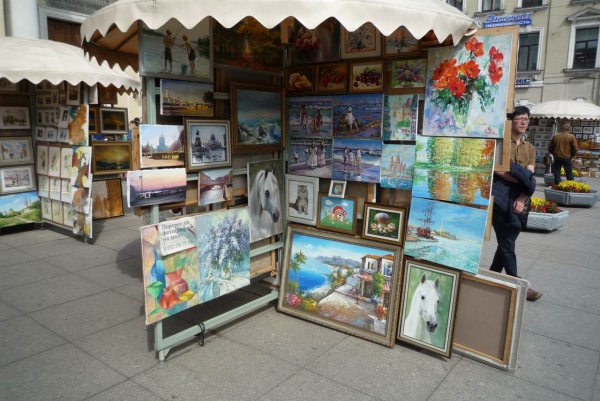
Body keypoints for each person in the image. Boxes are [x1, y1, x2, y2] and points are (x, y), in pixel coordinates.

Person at [490, 106, 542, 302]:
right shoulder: (502, 144)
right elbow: (498, 170)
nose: (523, 122)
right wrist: (521, 180)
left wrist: (522, 198)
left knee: (507, 241)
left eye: (526, 119)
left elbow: (530, 175)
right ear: (511, 121)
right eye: (519, 118)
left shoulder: (530, 148)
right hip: (501, 196)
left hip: (520, 198)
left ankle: (492, 275)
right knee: (506, 242)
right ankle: (518, 285)